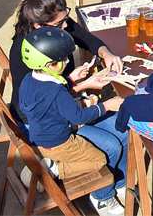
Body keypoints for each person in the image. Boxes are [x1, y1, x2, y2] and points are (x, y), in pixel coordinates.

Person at [17, 27, 128, 215]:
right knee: (100, 159)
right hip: (61, 142)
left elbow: (48, 95)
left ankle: (116, 183)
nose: (68, 61)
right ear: (49, 64)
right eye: (64, 59)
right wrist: (106, 106)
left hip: (40, 138)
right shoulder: (56, 92)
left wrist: (70, 78)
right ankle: (55, 170)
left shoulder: (30, 79)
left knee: (117, 134)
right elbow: (78, 117)